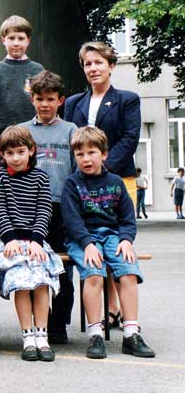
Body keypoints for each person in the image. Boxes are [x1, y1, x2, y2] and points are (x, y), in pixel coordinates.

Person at [61, 126, 155, 359]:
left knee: (128, 271)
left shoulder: (115, 182)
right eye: (80, 154)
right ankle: (95, 334)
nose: (86, 159)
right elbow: (72, 221)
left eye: (91, 153)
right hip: (82, 238)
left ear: (104, 154)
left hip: (112, 235)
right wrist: (87, 244)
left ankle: (131, 333)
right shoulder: (72, 184)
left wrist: (126, 240)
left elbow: (127, 217)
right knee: (94, 273)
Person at [64, 41, 141, 325]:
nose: (93, 68)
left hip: (117, 178)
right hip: (82, 182)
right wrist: (85, 171)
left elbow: (130, 138)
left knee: (115, 242)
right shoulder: (73, 103)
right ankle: (110, 308)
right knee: (94, 240)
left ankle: (122, 309)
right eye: (88, 64)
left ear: (111, 66)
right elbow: (71, 140)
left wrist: (102, 169)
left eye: (98, 62)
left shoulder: (127, 99)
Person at [0, 126, 63, 362]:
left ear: (31, 151)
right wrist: (9, 238)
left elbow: (44, 210)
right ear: (2, 155)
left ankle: (42, 336)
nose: (16, 158)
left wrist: (37, 240)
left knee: (40, 281)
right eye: (10, 153)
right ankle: (28, 337)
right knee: (21, 281)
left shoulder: (40, 177)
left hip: (35, 241)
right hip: (8, 240)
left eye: (21, 152)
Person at [19, 70, 78, 344]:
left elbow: (76, 172)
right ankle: (38, 322)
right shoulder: (23, 131)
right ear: (32, 99)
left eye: (50, 99)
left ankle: (58, 323)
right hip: (30, 209)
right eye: (40, 99)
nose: (45, 104)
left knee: (63, 269)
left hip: (61, 209)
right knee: (34, 267)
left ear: (60, 100)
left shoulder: (71, 131)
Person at [0, 15, 44, 139]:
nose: (16, 43)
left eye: (21, 38)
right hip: (2, 135)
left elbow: (44, 101)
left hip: (33, 134)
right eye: (11, 38)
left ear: (28, 40)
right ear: (3, 40)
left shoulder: (38, 70)